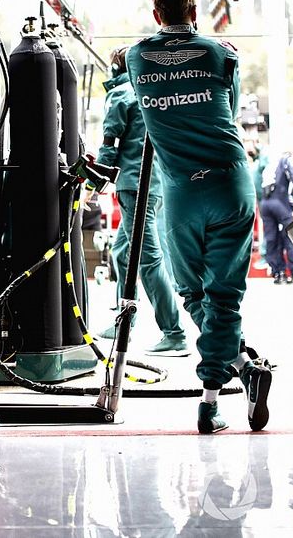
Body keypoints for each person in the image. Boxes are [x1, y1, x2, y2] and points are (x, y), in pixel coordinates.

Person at [126, 0, 272, 434]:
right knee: (225, 294)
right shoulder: (222, 53)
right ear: (194, 14)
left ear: (156, 16)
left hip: (181, 193)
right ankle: (222, 388)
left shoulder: (134, 57)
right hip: (230, 181)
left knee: (192, 292)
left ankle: (234, 370)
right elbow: (225, 104)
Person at [93, 46, 187, 357]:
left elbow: (111, 142)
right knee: (122, 252)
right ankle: (126, 324)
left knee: (147, 259)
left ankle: (174, 332)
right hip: (156, 184)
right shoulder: (156, 91)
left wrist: (97, 178)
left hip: (135, 184)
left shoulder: (121, 94)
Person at [259, 150, 293, 283]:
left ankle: (278, 273)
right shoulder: (288, 159)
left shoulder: (270, 162)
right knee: (291, 236)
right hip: (280, 203)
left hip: (265, 203)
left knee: (271, 238)